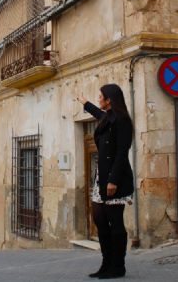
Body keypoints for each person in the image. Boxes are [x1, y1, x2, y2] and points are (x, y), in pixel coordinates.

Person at [77, 84, 134, 279]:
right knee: (100, 220)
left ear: (109, 99)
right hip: (101, 178)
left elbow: (121, 152)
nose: (99, 99)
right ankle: (106, 263)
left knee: (115, 222)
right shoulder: (106, 118)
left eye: (101, 96)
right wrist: (85, 102)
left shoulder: (123, 121)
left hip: (115, 179)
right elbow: (97, 113)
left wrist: (113, 180)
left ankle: (118, 266)